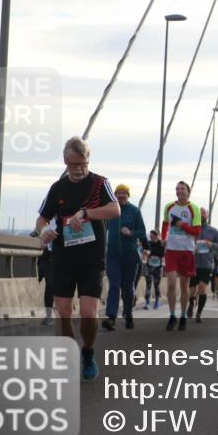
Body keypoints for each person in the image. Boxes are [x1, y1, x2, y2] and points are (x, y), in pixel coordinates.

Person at [36, 136, 120, 381]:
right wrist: (44, 231)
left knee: (89, 312)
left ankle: (88, 352)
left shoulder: (99, 183)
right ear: (65, 161)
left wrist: (86, 213)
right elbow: (42, 218)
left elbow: (115, 210)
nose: (79, 169)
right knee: (63, 312)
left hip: (91, 259)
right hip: (63, 257)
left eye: (83, 163)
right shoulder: (57, 188)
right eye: (74, 164)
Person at [103, 184, 148, 331]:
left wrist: (131, 233)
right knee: (114, 285)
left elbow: (142, 232)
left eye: (124, 193)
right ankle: (111, 317)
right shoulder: (110, 211)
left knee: (128, 288)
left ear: (128, 195)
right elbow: (102, 230)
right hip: (113, 255)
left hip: (130, 255)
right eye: (119, 193)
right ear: (115, 195)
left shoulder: (134, 211)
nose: (121, 195)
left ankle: (128, 314)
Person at [161, 181, 202, 331]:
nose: (179, 191)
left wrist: (182, 226)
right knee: (171, 284)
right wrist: (163, 237)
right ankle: (172, 316)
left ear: (188, 191)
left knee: (184, 287)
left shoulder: (194, 208)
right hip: (171, 250)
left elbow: (197, 231)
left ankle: (183, 315)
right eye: (177, 188)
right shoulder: (169, 206)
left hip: (186, 251)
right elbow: (165, 224)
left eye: (182, 189)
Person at [188, 208, 218, 323]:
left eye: (203, 213)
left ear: (207, 215)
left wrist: (211, 245)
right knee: (192, 289)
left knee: (202, 289)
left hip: (206, 264)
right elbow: (185, 243)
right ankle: (191, 303)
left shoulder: (214, 231)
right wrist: (192, 248)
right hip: (193, 263)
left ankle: (199, 313)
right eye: (199, 213)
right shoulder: (191, 229)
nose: (201, 215)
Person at [143, 230, 165, 309]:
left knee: (156, 285)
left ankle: (157, 301)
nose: (152, 238)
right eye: (151, 236)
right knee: (148, 284)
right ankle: (147, 303)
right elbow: (146, 252)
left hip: (158, 267)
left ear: (157, 236)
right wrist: (146, 253)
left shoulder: (161, 244)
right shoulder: (149, 243)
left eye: (153, 236)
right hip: (149, 267)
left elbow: (163, 255)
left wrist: (158, 257)